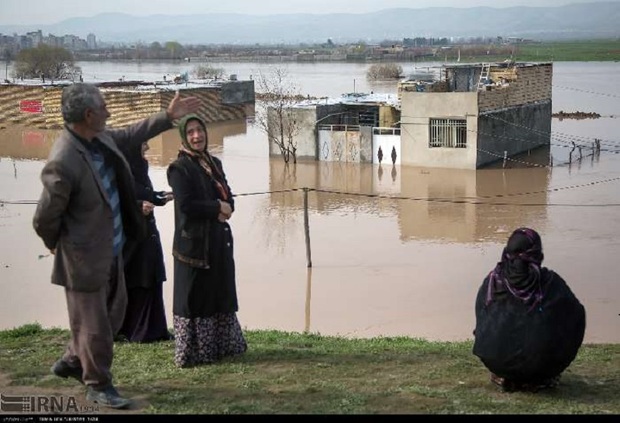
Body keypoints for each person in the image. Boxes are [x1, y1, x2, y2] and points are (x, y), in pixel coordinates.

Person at [32, 83, 201, 409]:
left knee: (115, 311)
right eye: (104, 107)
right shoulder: (64, 159)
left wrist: (167, 117)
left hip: (112, 248)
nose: (109, 112)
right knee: (95, 326)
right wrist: (60, 246)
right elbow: (44, 218)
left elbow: (130, 134)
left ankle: (71, 359)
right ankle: (98, 384)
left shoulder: (98, 140)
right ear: (88, 114)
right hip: (83, 258)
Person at [166, 114, 247, 368]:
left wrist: (226, 206)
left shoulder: (214, 164)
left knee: (218, 294)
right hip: (193, 246)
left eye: (199, 130)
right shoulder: (178, 169)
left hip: (217, 242)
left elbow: (229, 198)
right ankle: (195, 353)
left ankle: (222, 348)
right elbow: (187, 205)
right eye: (190, 132)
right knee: (195, 298)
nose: (196, 136)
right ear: (183, 137)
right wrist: (217, 208)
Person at [473, 227, 586, 393]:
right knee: (574, 316)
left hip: (498, 364)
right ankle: (539, 376)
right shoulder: (551, 283)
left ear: (507, 251)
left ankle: (505, 374)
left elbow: (481, 321)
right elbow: (577, 316)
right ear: (537, 254)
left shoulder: (492, 282)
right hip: (543, 369)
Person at [117, 140, 174, 343]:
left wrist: (158, 197)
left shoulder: (138, 170)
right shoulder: (121, 172)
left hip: (146, 234)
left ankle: (154, 330)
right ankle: (137, 331)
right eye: (142, 146)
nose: (147, 150)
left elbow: (141, 192)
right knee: (137, 280)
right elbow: (112, 203)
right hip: (132, 240)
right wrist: (138, 206)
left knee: (151, 278)